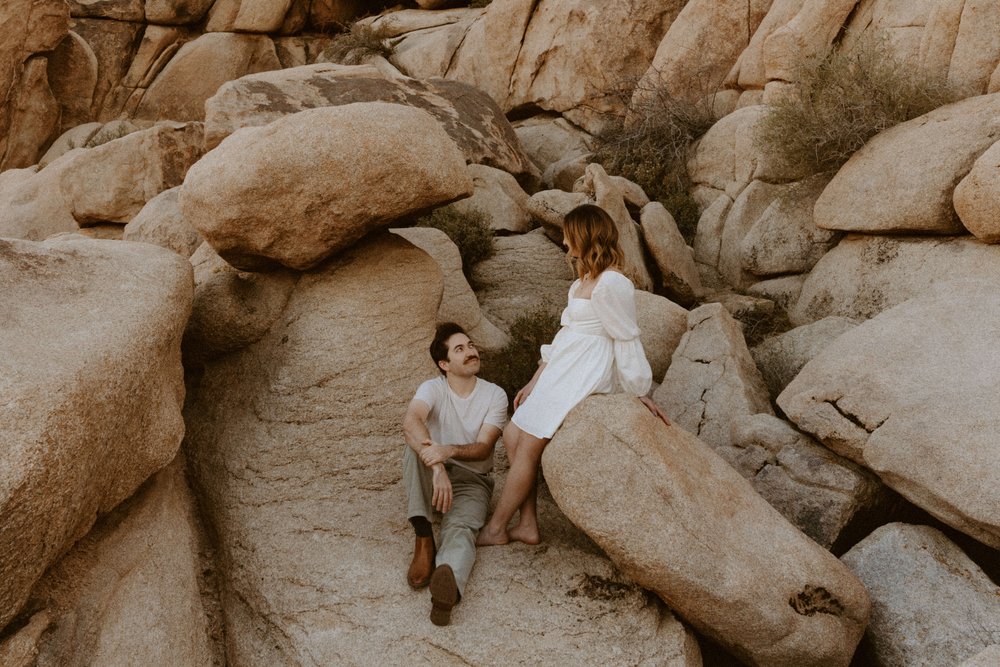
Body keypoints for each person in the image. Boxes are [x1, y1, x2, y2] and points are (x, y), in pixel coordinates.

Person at [476, 203, 670, 547]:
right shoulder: (581, 281)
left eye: (569, 235)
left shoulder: (613, 283)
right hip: (564, 365)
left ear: (585, 235)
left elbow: (625, 336)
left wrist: (640, 389)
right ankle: (528, 524)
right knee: (512, 434)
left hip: (587, 368)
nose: (565, 242)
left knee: (530, 445)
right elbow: (565, 334)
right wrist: (535, 380)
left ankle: (495, 528)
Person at [402, 322, 508, 626]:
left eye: (471, 346)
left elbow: (484, 448)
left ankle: (446, 591)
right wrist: (437, 465)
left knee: (461, 530)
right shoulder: (432, 387)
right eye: (459, 349)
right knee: (412, 447)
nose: (470, 352)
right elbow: (411, 421)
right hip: (433, 471)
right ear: (444, 364)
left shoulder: (494, 395)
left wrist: (447, 451)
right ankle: (423, 537)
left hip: (474, 480)